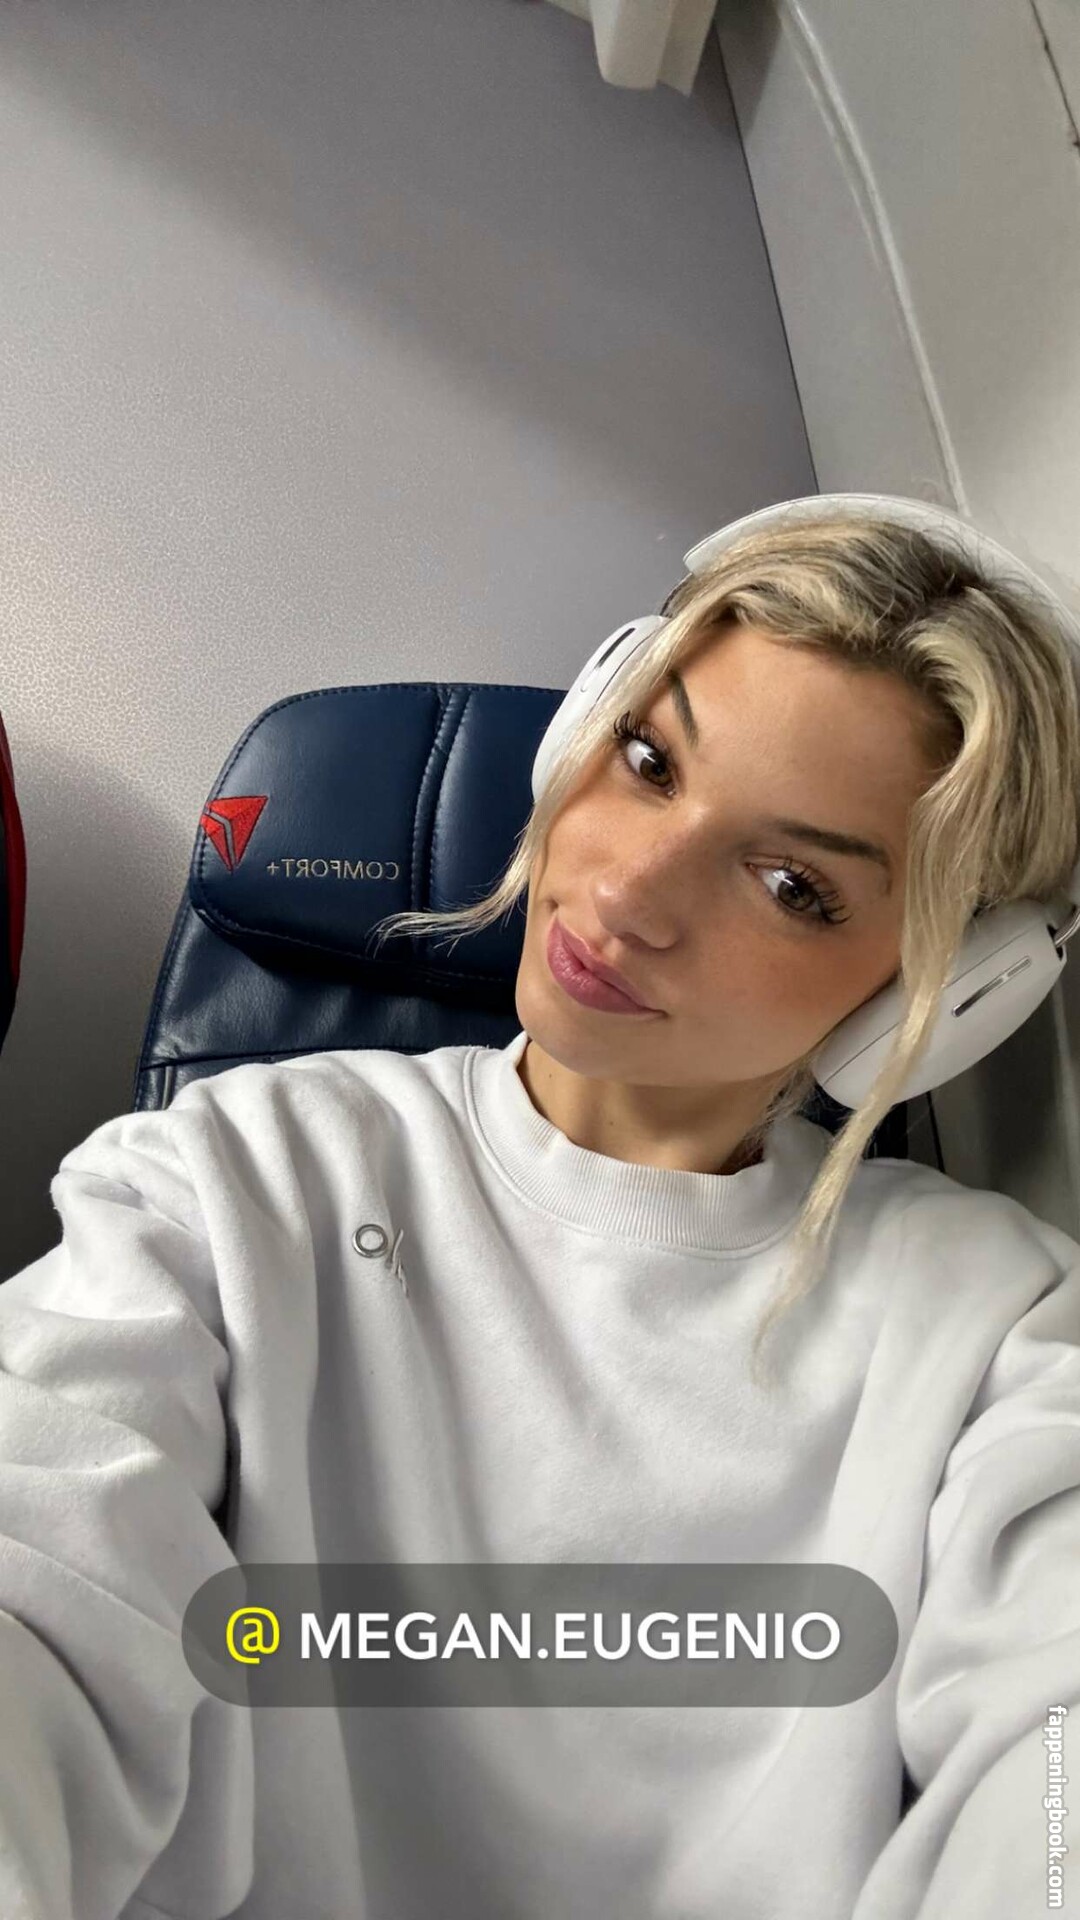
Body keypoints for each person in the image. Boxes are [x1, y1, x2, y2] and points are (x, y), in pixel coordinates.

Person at [1, 502, 1079, 1920]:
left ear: (946, 996)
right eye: (649, 759)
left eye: (791, 885)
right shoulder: (232, 1174)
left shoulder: (1000, 1330)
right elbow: (39, 1545)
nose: (626, 891)